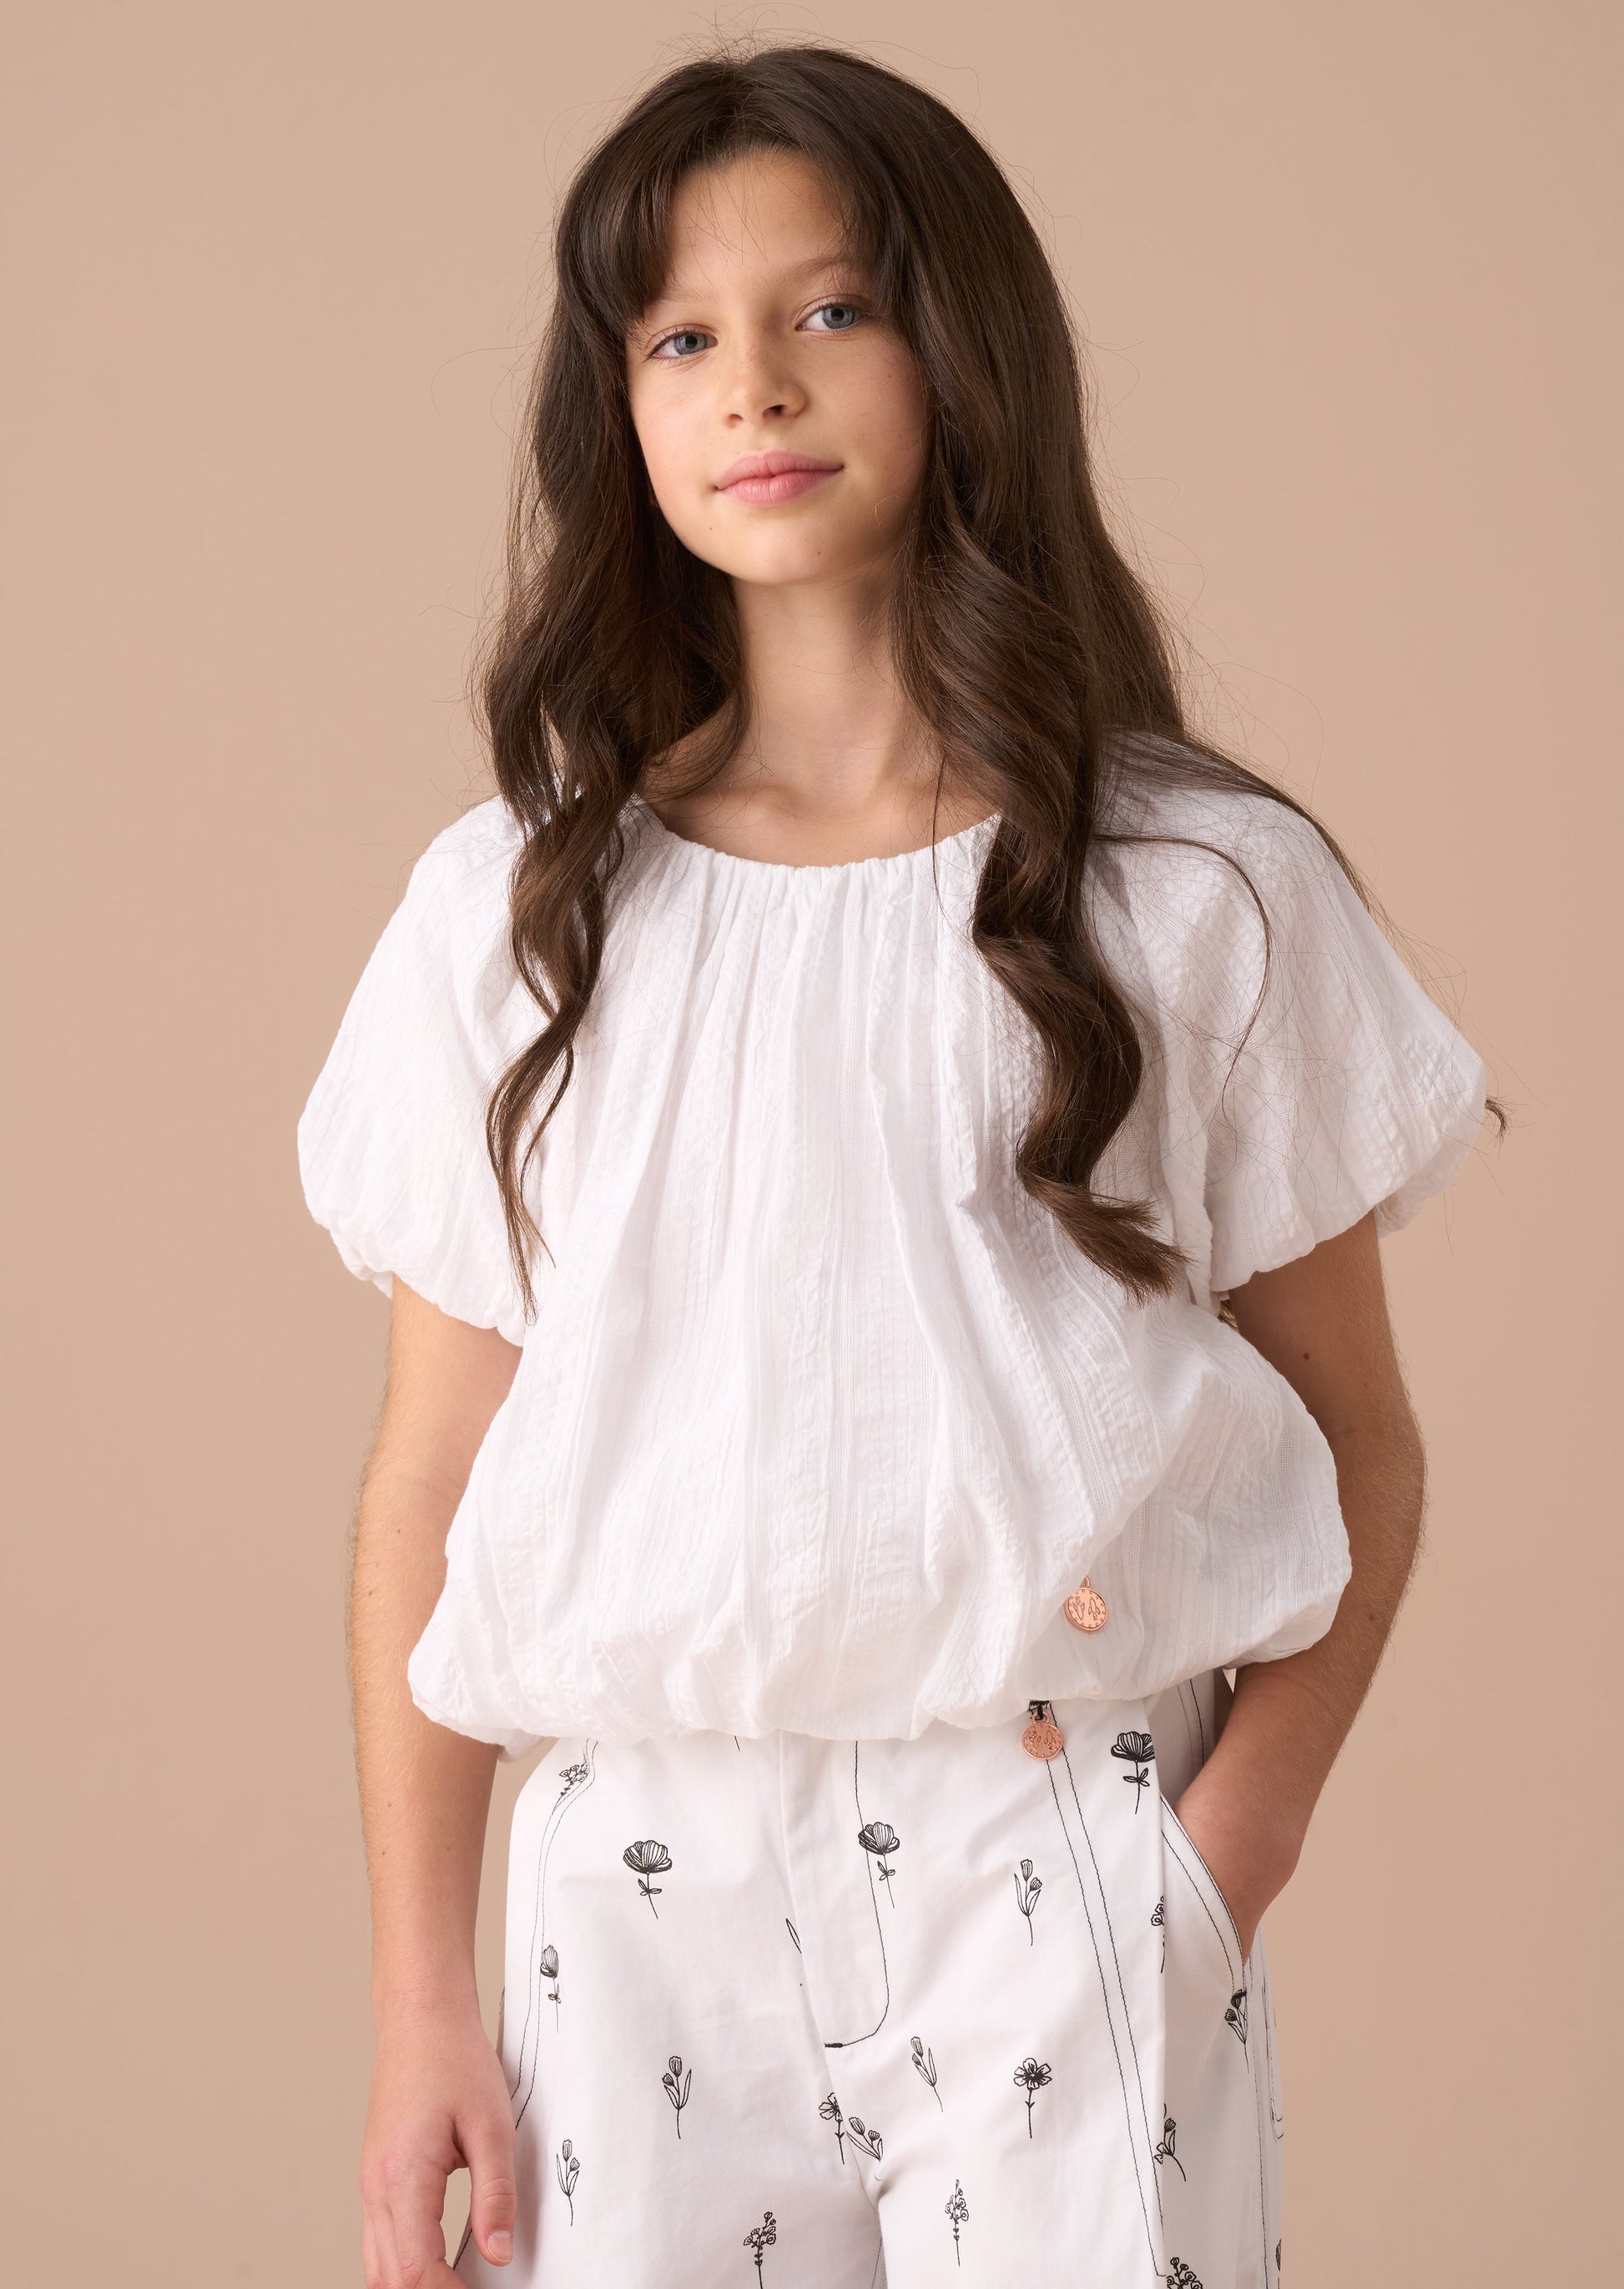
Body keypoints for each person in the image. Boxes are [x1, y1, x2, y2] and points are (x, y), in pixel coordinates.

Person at [298, 41, 1492, 2289]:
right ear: (617, 409)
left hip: (1059, 1851)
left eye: (827, 310)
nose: (753, 384)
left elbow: (1360, 1434)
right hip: (632, 1895)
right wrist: (420, 2000)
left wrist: (1215, 1867)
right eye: (678, 337)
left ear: (962, 347)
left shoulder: (1194, 890)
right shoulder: (515, 912)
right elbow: (431, 1479)